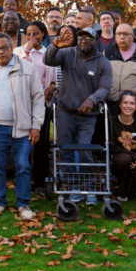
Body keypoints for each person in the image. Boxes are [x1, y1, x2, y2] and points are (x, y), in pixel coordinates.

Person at [0, 33, 45, 220]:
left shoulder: (28, 68)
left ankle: (23, 204)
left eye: (4, 47)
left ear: (11, 48)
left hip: (22, 128)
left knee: (22, 165)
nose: (1, 52)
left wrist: (36, 126)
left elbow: (38, 98)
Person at [44, 26, 112, 205]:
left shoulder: (103, 62)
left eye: (88, 38)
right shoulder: (67, 53)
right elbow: (48, 60)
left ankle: (89, 186)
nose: (84, 41)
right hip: (65, 112)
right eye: (81, 38)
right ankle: (72, 186)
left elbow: (105, 87)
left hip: (88, 115)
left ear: (96, 42)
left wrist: (92, 99)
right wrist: (55, 46)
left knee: (84, 150)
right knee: (65, 150)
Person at [15, 21, 57, 194]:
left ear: (43, 34)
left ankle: (40, 181)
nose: (32, 37)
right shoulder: (18, 52)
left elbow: (54, 77)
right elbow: (16, 69)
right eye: (29, 34)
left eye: (36, 33)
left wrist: (52, 86)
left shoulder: (48, 53)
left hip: (41, 103)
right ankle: (23, 179)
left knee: (40, 144)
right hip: (22, 104)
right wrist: (27, 50)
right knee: (22, 143)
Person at [110, 91, 136, 202]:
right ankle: (122, 193)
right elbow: (112, 146)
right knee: (125, 159)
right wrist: (135, 156)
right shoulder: (111, 121)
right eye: (125, 102)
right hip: (119, 160)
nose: (128, 106)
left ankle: (135, 190)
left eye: (132, 103)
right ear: (119, 104)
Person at [104, 23, 136, 114]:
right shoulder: (107, 53)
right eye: (119, 34)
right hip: (112, 103)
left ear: (133, 36)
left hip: (135, 104)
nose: (122, 37)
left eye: (126, 34)